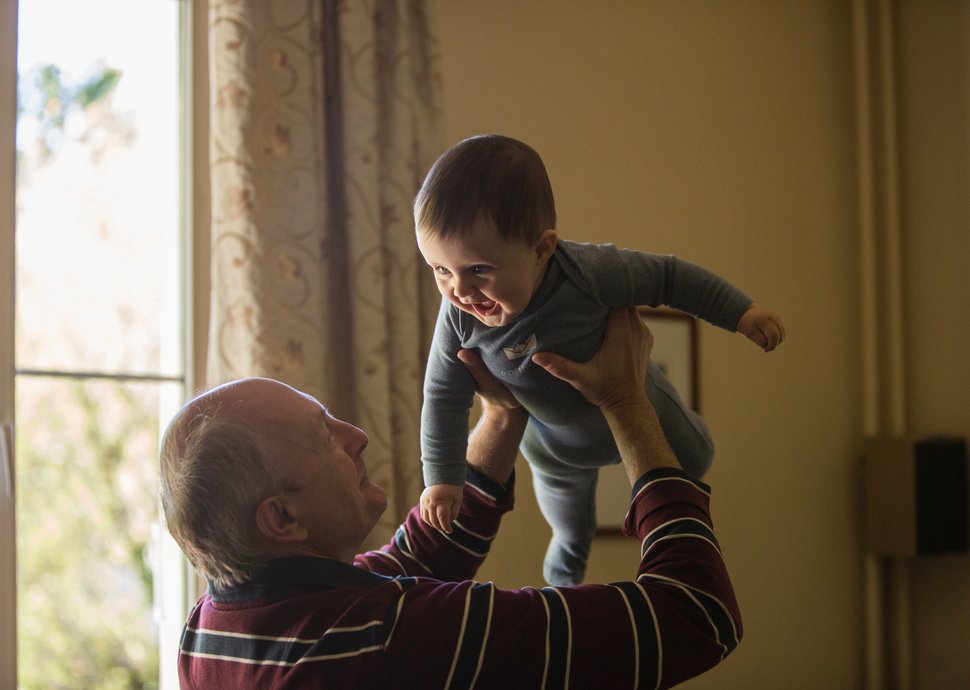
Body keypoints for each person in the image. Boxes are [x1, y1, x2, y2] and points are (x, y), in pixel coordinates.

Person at [160, 308, 742, 689]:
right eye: (324, 436)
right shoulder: (394, 639)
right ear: (282, 518)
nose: (355, 436)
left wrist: (502, 413)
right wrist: (626, 402)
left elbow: (416, 558)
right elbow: (695, 614)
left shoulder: (211, 630)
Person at [416, 133, 785, 585]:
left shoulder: (588, 272)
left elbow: (669, 277)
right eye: (440, 269)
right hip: (554, 447)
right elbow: (442, 396)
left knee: (696, 459)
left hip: (640, 403)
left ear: (541, 249)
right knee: (570, 527)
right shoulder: (457, 317)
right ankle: (564, 581)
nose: (460, 290)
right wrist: (442, 478)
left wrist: (741, 313)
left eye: (478, 269)